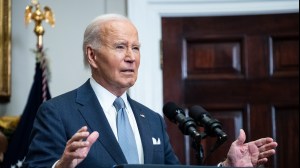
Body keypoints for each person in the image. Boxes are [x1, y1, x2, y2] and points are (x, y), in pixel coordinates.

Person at [24, 13, 277, 168]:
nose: (131, 57)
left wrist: (226, 166)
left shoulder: (153, 120)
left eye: (136, 48)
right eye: (121, 47)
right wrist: (61, 167)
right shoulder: (57, 112)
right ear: (92, 55)